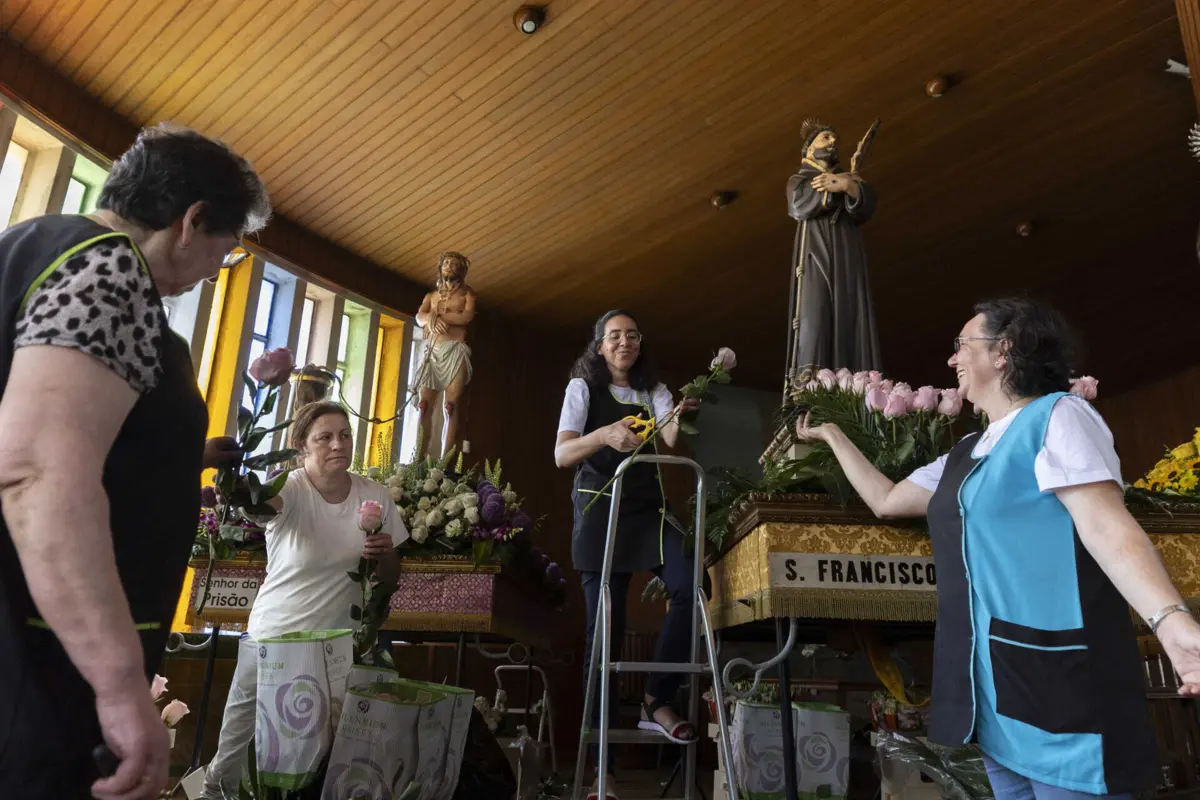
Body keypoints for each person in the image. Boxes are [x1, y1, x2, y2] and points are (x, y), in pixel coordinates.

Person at [794, 297, 1200, 799]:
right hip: (991, 697)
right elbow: (886, 500)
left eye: (961, 344)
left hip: (1057, 691)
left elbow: (1106, 526)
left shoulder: (1061, 415)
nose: (952, 359)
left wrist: (1172, 622)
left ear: (1003, 350)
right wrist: (832, 435)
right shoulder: (967, 451)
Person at [0, 123, 267, 800]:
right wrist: (121, 685)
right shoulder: (110, 266)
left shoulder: (35, 246)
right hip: (34, 658)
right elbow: (37, 474)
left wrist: (185, 456)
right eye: (224, 251)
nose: (215, 270)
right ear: (192, 221)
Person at [202, 401, 407, 799]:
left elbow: (391, 577)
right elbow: (259, 502)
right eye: (324, 437)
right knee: (235, 749)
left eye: (344, 435)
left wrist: (385, 554)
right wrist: (236, 485)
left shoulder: (374, 494)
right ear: (301, 447)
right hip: (272, 640)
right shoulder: (291, 487)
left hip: (336, 650)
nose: (337, 444)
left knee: (317, 761)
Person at [554, 310, 702, 800]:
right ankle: (603, 772)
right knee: (605, 638)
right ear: (600, 346)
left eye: (632, 335)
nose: (624, 343)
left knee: (690, 584)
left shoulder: (654, 389)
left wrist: (684, 413)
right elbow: (563, 454)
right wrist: (604, 435)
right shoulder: (582, 389)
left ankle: (656, 698)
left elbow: (671, 437)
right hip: (600, 513)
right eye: (614, 336)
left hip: (648, 513)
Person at [785, 118, 880, 392]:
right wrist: (832, 187)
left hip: (846, 255)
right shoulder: (799, 180)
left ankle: (856, 386)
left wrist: (848, 187)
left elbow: (864, 205)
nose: (832, 142)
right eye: (825, 138)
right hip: (815, 253)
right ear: (808, 148)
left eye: (833, 139)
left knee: (849, 311)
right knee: (816, 313)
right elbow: (799, 205)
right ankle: (809, 387)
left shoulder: (847, 179)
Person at [414, 251, 476, 459]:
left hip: (454, 351)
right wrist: (429, 319)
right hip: (432, 352)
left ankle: (445, 463)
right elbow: (419, 316)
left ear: (462, 269)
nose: (449, 266)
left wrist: (439, 317)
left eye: (454, 264)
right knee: (423, 406)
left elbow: (467, 316)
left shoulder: (467, 295)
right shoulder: (430, 297)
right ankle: (418, 457)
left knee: (450, 407)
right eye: (446, 263)